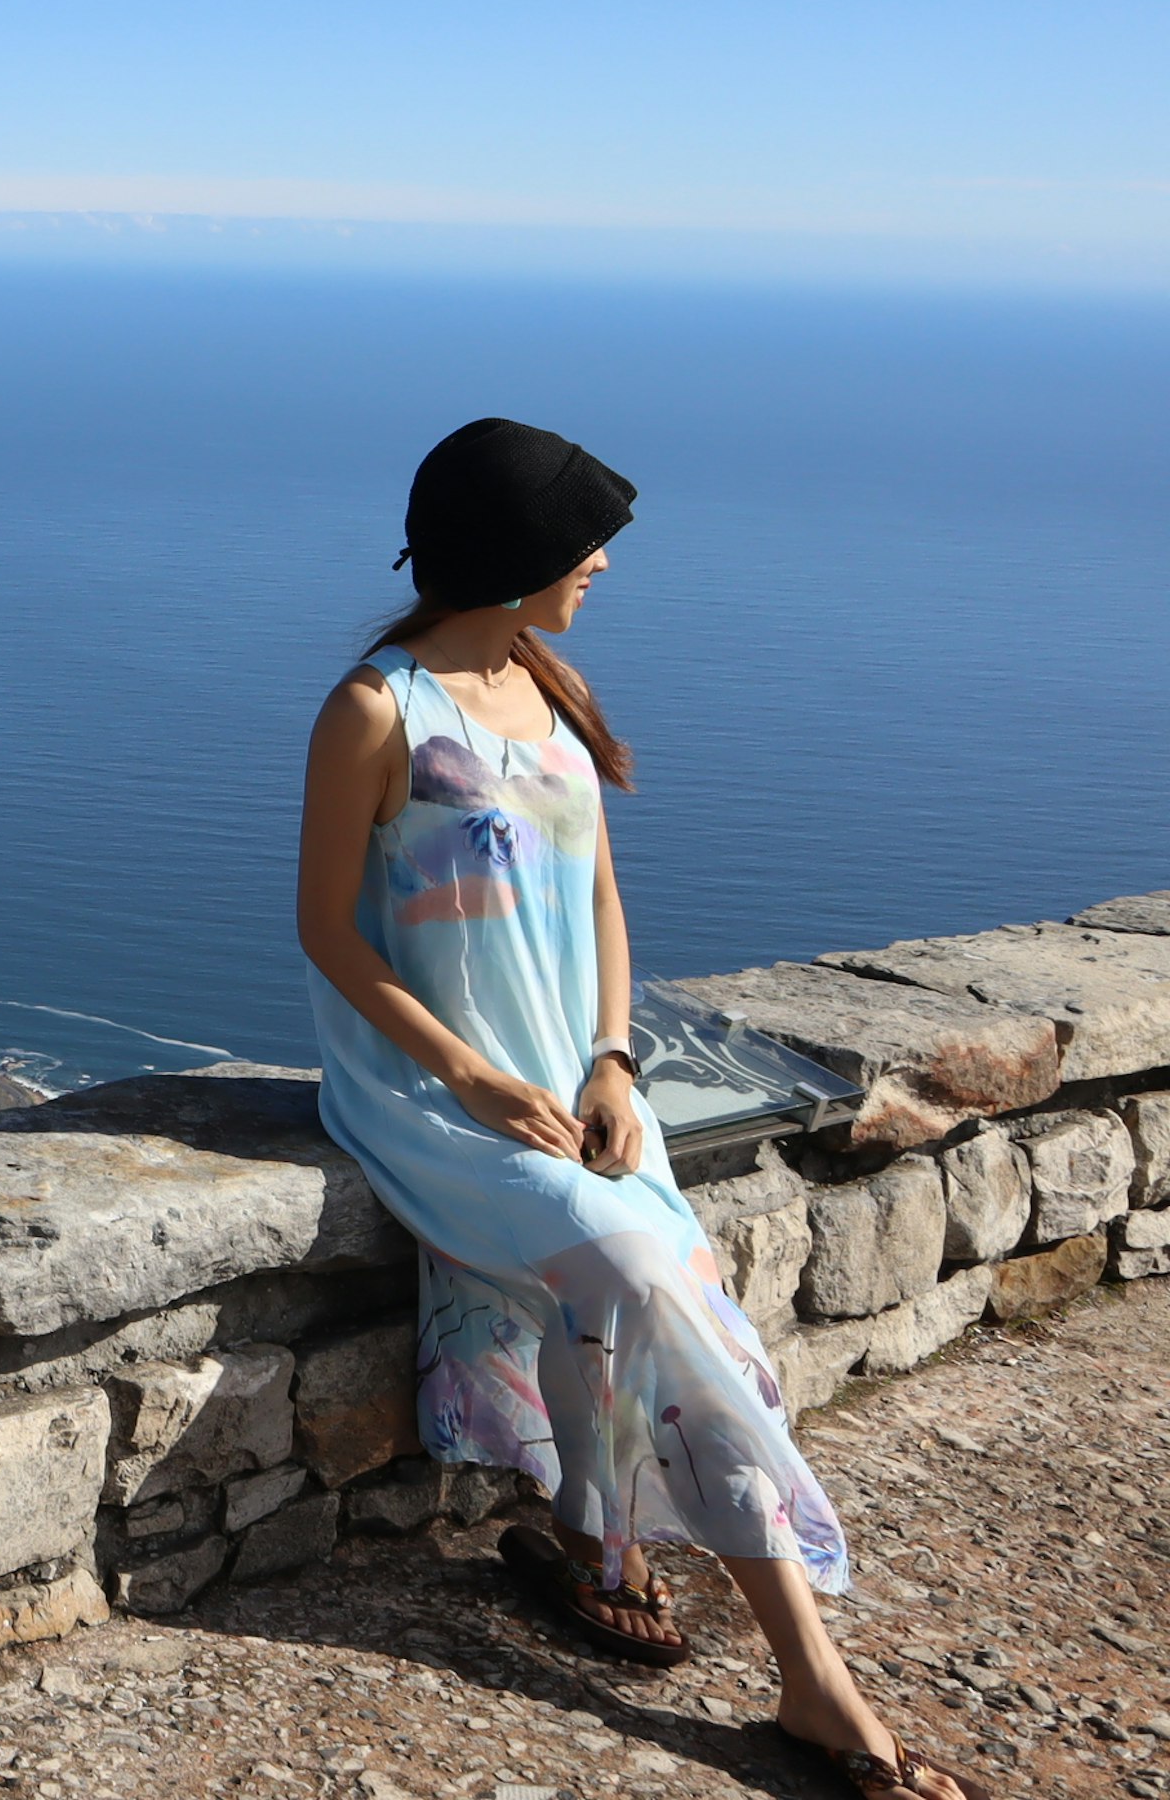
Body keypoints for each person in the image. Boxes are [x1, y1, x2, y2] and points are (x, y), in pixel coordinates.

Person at [295, 418, 986, 1800]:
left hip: (577, 1080)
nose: (601, 561)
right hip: (435, 1099)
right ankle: (812, 1678)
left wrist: (612, 1058)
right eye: (577, 541)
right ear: (508, 554)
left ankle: (581, 1534)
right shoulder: (377, 712)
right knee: (649, 1282)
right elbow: (329, 932)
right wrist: (474, 1076)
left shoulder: (545, 685)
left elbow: (603, 898)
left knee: (654, 1299)